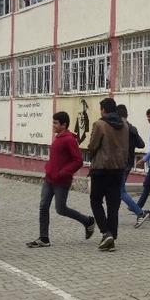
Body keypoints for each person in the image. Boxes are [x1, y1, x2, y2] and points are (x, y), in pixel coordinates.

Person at [29, 112, 95, 248]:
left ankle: (88, 221)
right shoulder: (58, 137)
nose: (53, 125)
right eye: (53, 122)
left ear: (64, 125)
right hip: (49, 179)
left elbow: (78, 161)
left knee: (61, 209)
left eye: (55, 123)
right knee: (43, 206)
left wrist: (63, 172)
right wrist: (49, 169)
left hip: (62, 181)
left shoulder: (69, 139)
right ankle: (44, 238)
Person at [88, 98, 128, 253]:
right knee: (113, 205)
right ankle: (112, 236)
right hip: (118, 170)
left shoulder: (100, 124)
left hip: (101, 169)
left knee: (95, 201)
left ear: (103, 109)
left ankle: (106, 232)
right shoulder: (124, 125)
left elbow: (92, 146)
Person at [116, 104, 147, 227]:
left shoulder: (119, 128)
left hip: (120, 163)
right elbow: (141, 144)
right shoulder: (132, 128)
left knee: (121, 191)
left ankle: (140, 212)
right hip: (128, 163)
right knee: (118, 190)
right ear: (126, 115)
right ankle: (112, 215)